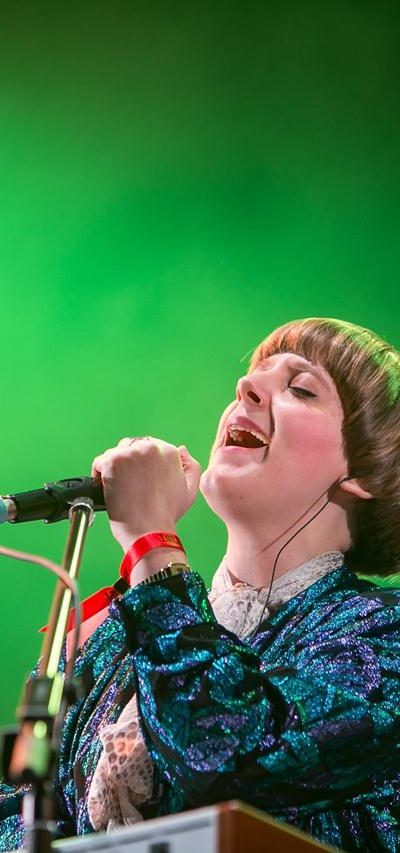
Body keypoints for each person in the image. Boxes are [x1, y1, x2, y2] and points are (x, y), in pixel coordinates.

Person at [1, 317, 400, 852]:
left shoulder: (381, 634)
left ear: (366, 473)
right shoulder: (117, 633)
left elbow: (223, 752)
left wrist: (152, 543)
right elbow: (19, 806)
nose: (246, 386)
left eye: (301, 388)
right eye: (254, 375)